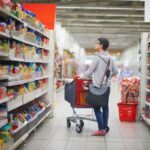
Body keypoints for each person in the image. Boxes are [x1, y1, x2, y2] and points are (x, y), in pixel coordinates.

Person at [81, 38, 118, 136]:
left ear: (101, 45)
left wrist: (82, 77)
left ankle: (101, 129)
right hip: (107, 87)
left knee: (97, 107)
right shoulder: (110, 58)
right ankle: (105, 127)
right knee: (105, 107)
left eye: (97, 43)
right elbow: (116, 72)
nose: (95, 44)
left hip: (97, 86)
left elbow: (89, 71)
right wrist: (108, 79)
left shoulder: (97, 57)